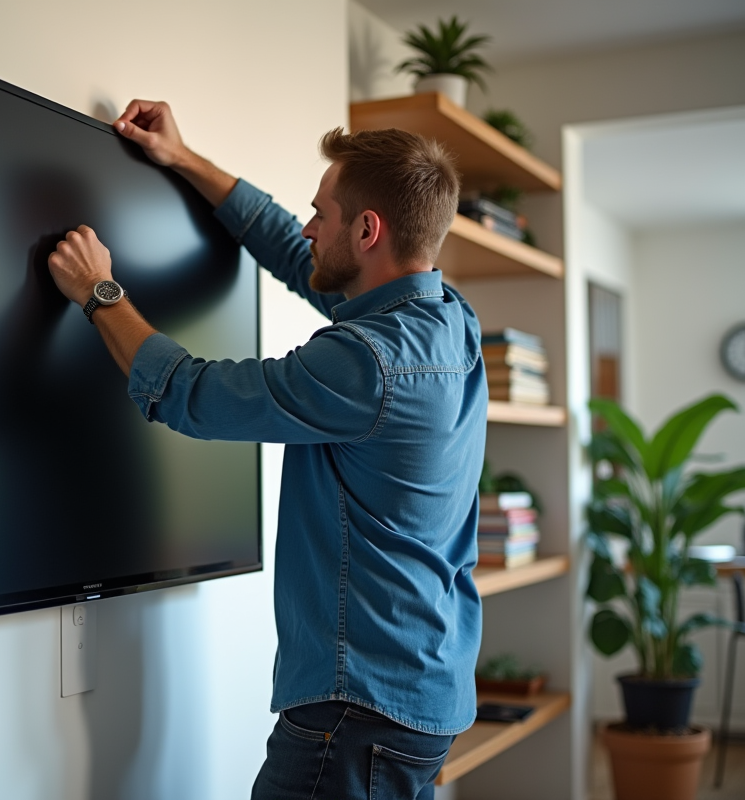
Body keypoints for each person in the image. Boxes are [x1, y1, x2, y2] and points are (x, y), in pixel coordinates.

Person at [47, 99, 486, 800]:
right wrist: (183, 158)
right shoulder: (445, 320)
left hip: (357, 711)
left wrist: (98, 293)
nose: (309, 225)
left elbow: (190, 394)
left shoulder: (366, 365)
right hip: (422, 688)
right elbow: (294, 250)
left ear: (369, 230)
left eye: (323, 211)